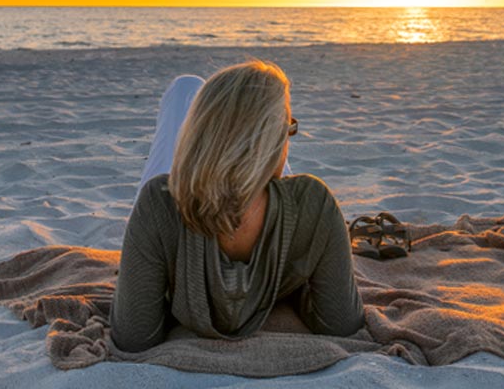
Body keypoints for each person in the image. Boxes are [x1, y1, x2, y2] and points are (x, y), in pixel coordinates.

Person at [111, 61, 364, 352]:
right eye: (288, 129)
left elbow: (133, 337)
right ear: (272, 138)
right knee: (195, 93)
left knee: (185, 87)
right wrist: (296, 279)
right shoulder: (314, 203)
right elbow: (342, 324)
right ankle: (252, 158)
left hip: (186, 185)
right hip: (265, 197)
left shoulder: (159, 202)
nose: (287, 138)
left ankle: (223, 137)